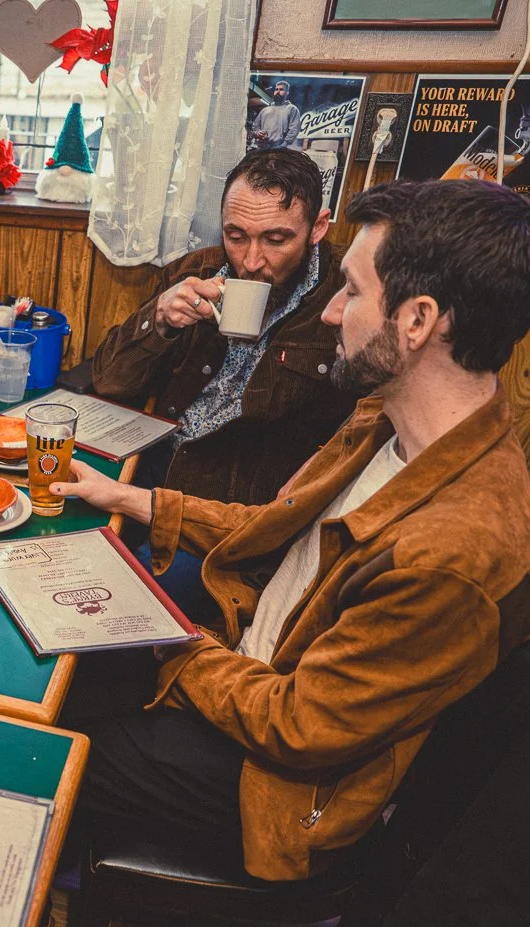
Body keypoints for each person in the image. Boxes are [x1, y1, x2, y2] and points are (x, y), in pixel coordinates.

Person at [59, 178, 530, 882]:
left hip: (272, 782)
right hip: (241, 658)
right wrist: (133, 498)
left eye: (352, 291)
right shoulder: (387, 415)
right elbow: (279, 528)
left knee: (40, 742)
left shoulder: (453, 550)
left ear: (418, 320)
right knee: (61, 656)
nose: (332, 311)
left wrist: (178, 648)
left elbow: (298, 727)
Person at [92, 149, 356, 510]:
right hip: (157, 467)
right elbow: (108, 383)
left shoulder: (348, 294)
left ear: (318, 228)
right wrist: (160, 318)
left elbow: (371, 418)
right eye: (236, 236)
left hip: (240, 501)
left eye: (276, 240)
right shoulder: (196, 273)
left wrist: (320, 468)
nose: (251, 261)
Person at [249, 80, 302, 151]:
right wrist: (257, 133)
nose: (278, 92)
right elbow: (255, 127)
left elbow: (294, 128)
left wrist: (284, 144)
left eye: (281, 89)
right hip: (263, 148)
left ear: (287, 93)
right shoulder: (265, 110)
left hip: (280, 149)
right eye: (276, 89)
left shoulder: (291, 109)